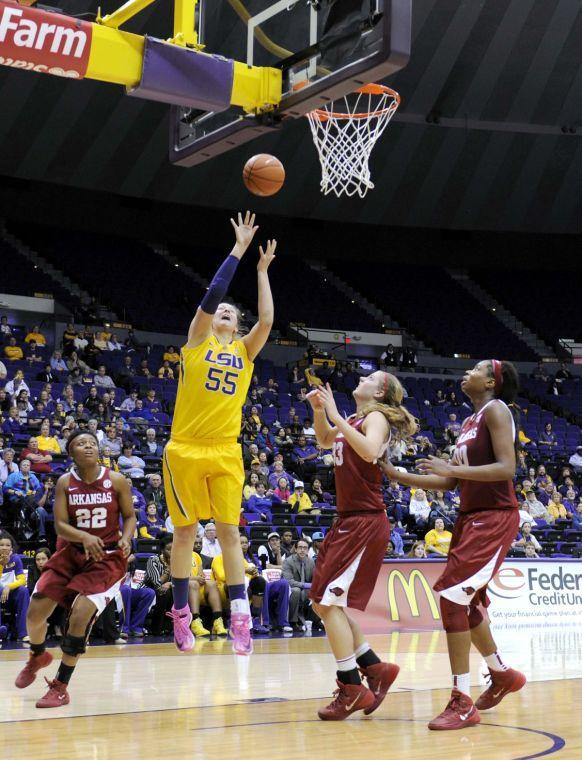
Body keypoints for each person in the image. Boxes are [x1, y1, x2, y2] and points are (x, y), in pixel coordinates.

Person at [380, 359, 526, 730]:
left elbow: (507, 468)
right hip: (469, 517)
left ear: (492, 381)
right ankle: (502, 674)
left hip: (493, 517)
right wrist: (398, 474)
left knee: (451, 598)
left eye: (475, 369)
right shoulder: (467, 423)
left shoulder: (497, 410)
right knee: (468, 600)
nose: (468, 373)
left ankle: (462, 699)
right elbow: (449, 484)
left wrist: (453, 470)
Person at [162, 211, 276, 655]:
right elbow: (211, 294)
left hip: (226, 451)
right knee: (185, 534)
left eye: (231, 313)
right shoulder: (196, 342)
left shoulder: (246, 352)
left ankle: (240, 617)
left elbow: (266, 322)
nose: (223, 313)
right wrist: (238, 251)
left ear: (237, 326)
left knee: (230, 534)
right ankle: (180, 614)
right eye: (220, 312)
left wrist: (262, 272)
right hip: (185, 450)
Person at [307, 372, 415, 721]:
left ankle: (352, 685)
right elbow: (325, 440)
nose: (361, 378)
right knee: (323, 604)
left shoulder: (376, 417)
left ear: (380, 391)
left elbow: (369, 452)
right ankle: (374, 668)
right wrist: (319, 411)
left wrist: (336, 414)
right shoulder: (354, 419)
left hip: (365, 520)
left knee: (327, 604)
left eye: (370, 377)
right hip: (348, 520)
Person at [14, 430, 136, 708]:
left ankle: (60, 686)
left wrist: (126, 538)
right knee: (35, 613)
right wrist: (83, 537)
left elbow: (129, 517)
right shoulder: (65, 482)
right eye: (82, 443)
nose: (89, 446)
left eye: (92, 443)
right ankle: (37, 655)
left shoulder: (115, 480)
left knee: (80, 615)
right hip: (70, 553)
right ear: (71, 453)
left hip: (105, 559)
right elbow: (59, 525)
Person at [0, 530, 30, 641]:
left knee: (23, 590)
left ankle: (23, 633)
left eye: (8, 545)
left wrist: (8, 587)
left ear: (11, 548)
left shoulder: (16, 559)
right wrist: (2, 564)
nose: (4, 547)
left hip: (9, 595)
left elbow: (22, 580)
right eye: (1, 545)